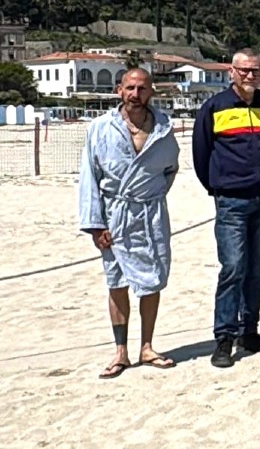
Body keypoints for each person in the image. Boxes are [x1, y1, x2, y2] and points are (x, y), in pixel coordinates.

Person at [78, 68, 180, 379]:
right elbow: (89, 177)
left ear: (152, 92)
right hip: (113, 215)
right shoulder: (100, 128)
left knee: (152, 278)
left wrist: (153, 195)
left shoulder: (164, 128)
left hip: (150, 212)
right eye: (130, 88)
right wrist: (95, 224)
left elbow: (170, 169)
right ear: (119, 90)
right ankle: (120, 351)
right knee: (117, 281)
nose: (136, 95)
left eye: (142, 89)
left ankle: (147, 346)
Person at [193, 48, 260, 368]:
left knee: (258, 268)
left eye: (255, 71)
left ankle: (250, 329)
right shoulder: (214, 108)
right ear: (231, 72)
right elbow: (201, 154)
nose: (250, 76)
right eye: (244, 70)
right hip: (230, 200)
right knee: (233, 267)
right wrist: (217, 188)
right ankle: (224, 337)